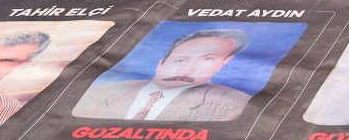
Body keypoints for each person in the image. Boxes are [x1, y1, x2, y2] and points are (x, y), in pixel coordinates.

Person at [72, 29, 251, 121]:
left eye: (207, 59)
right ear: (160, 64)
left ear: (221, 66)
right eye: (180, 60)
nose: (186, 70)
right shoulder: (98, 93)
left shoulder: (235, 105)